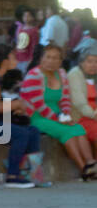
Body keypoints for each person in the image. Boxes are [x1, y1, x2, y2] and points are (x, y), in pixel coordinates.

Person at [21, 42, 97, 178]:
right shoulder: (33, 75)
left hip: (59, 115)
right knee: (67, 131)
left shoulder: (61, 74)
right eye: (48, 57)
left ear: (61, 61)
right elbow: (40, 106)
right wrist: (60, 120)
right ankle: (83, 168)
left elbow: (65, 99)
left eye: (56, 58)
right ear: (41, 59)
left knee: (78, 129)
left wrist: (66, 115)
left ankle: (91, 164)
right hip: (37, 117)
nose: (51, 61)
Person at [0, 46, 40, 185]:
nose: (17, 60)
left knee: (33, 131)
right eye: (13, 57)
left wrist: (14, 108)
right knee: (21, 134)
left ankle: (32, 174)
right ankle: (12, 175)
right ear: (4, 61)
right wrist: (16, 104)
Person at [67, 37, 97, 147]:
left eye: (96, 62)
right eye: (89, 61)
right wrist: (94, 116)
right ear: (81, 62)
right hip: (80, 117)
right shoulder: (74, 74)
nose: (94, 65)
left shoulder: (94, 76)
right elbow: (80, 104)